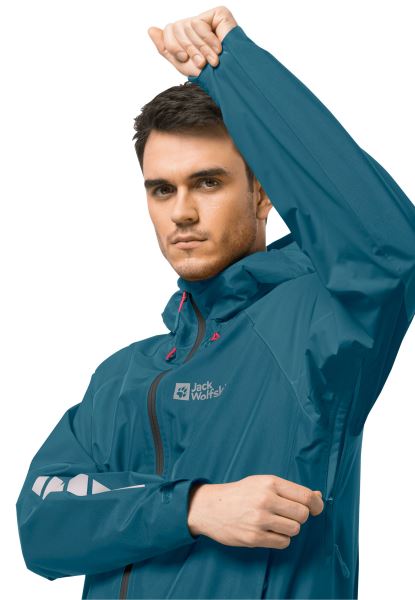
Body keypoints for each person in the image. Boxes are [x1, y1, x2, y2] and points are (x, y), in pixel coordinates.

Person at [15, 6, 415, 600]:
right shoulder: (121, 377)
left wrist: (232, 68)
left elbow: (390, 249)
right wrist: (196, 507)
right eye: (162, 189)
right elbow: (41, 523)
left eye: (208, 182)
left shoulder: (317, 324)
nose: (181, 212)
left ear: (262, 193)